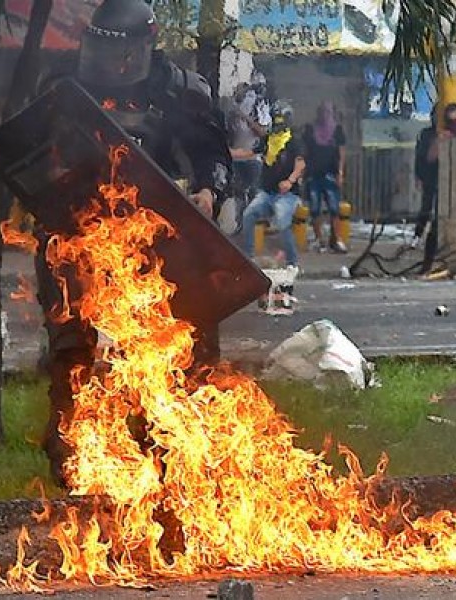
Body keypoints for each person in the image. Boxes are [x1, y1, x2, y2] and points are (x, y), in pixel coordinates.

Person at [35, 0, 233, 484]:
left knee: (183, 343)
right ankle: (74, 455)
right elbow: (32, 149)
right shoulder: (61, 86)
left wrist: (208, 191)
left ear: (146, 46)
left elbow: (214, 157)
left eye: (121, 55)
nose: (111, 66)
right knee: (71, 347)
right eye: (102, 54)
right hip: (78, 237)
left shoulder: (181, 92)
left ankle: (172, 453)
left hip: (158, 239)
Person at [241, 99, 306, 269]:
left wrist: (290, 181)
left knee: (282, 221)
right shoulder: (269, 139)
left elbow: (300, 164)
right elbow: (249, 152)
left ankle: (292, 263)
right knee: (249, 215)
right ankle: (248, 257)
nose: (277, 121)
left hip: (287, 195)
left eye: (280, 118)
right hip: (267, 193)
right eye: (275, 117)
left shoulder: (294, 141)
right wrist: (228, 153)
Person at [413, 102, 456, 273]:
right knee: (432, 217)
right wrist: (440, 141)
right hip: (436, 182)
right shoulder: (432, 136)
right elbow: (426, 158)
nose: (454, 125)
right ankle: (426, 259)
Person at [218, 81, 270, 235]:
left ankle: (255, 230)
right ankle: (241, 228)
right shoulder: (230, 106)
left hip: (252, 158)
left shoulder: (257, 106)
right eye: (237, 89)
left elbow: (262, 132)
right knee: (236, 194)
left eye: (242, 89)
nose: (239, 92)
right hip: (234, 157)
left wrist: (244, 117)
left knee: (253, 194)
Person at [303, 101, 347, 254]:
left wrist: (340, 172)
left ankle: (336, 239)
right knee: (315, 209)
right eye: (322, 112)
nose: (324, 115)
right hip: (313, 175)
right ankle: (319, 239)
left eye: (327, 112)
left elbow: (341, 152)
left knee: (334, 209)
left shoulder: (337, 130)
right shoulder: (310, 130)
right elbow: (305, 151)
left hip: (330, 174)